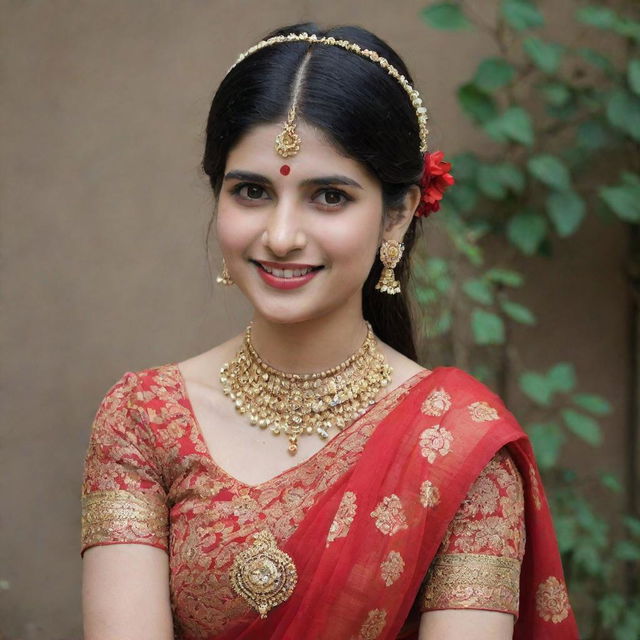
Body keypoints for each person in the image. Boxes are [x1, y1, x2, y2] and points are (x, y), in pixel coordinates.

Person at [80, 23, 579, 640]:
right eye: (253, 191)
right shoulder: (144, 419)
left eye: (329, 196)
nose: (282, 235)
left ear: (396, 216)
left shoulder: (457, 448)